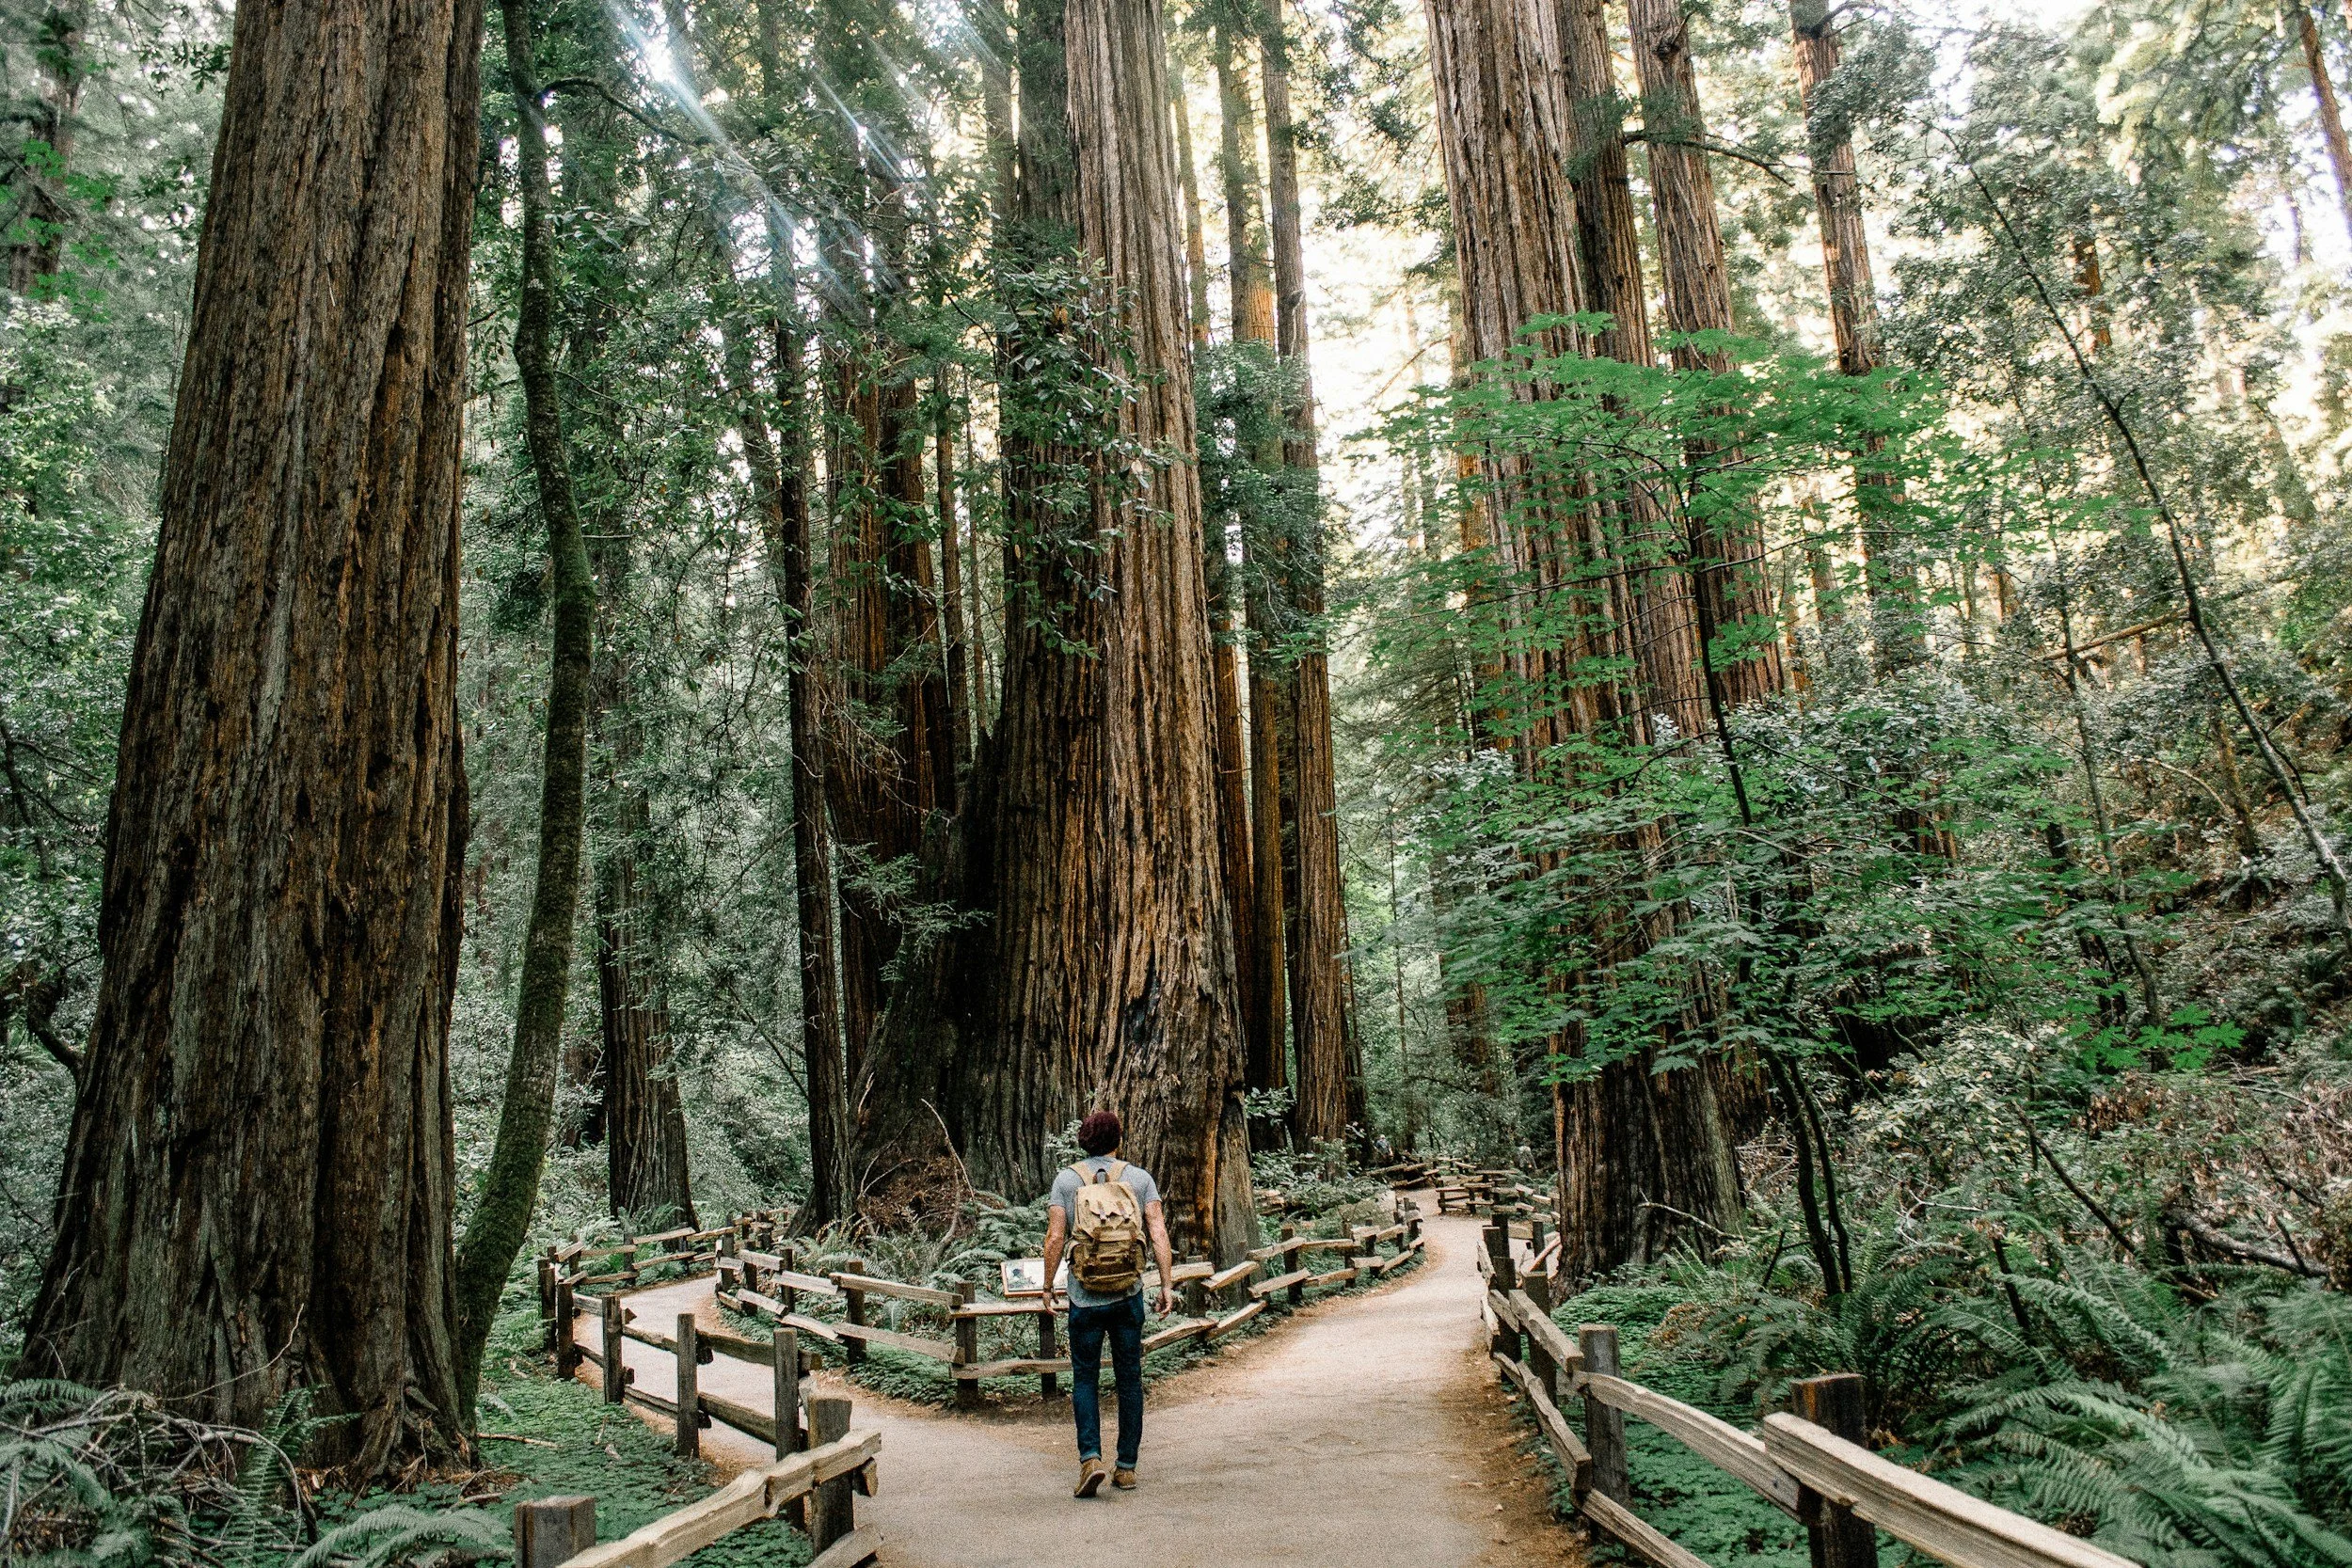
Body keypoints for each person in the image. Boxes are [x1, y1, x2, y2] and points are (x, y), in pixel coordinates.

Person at [1041, 1109, 1176, 1498]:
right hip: (1128, 1295)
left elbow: (1054, 1237)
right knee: (1129, 1378)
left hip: (1084, 1298)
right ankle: (1127, 1468)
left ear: (1083, 1139)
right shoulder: (1139, 1178)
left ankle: (1090, 1459)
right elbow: (1158, 1231)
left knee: (1085, 1378)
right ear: (1118, 1139)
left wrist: (1048, 1287)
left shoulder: (1067, 1180)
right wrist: (1165, 1284)